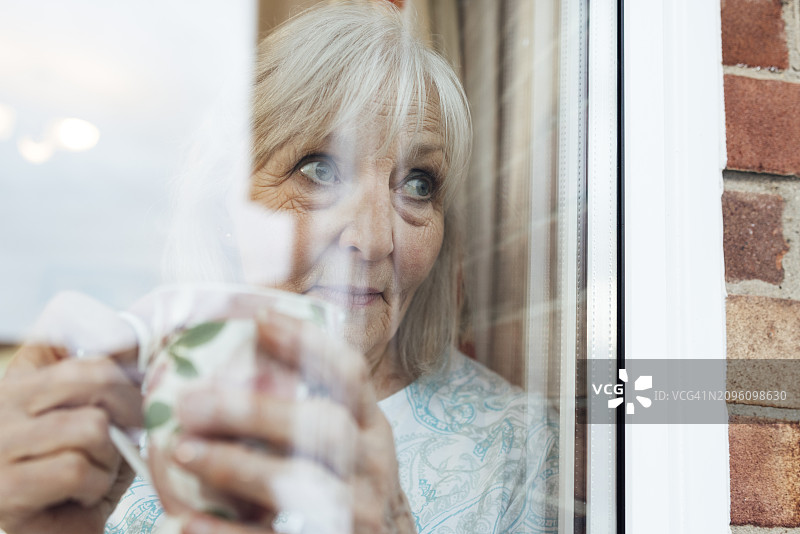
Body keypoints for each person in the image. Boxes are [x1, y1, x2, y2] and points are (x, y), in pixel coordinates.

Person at [0, 2, 557, 534]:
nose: (373, 239)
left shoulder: (517, 449)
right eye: (319, 169)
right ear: (228, 209)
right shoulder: (114, 416)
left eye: (418, 184)